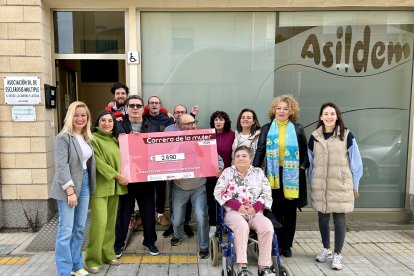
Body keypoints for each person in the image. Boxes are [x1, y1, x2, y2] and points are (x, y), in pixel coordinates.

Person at [308, 102, 363, 270]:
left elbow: (356, 163)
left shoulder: (346, 135)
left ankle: (338, 254)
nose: (329, 116)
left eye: (332, 113)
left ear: (337, 116)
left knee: (339, 219)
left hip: (340, 184)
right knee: (322, 219)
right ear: (321, 117)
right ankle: (326, 249)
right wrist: (313, 183)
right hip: (320, 184)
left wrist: (355, 184)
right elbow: (311, 163)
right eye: (326, 113)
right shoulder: (315, 136)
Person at [253, 94, 308, 258]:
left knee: (290, 212)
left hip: (292, 175)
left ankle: (287, 246)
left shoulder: (297, 128)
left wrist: (303, 166)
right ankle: (274, 243)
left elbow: (305, 152)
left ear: (291, 112)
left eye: (286, 109)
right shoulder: (266, 128)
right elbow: (261, 150)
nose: (282, 111)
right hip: (272, 174)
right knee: (274, 210)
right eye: (279, 108)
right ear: (274, 110)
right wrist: (254, 171)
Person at [49, 101, 96, 276]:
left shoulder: (86, 136)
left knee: (78, 228)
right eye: (76, 115)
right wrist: (70, 191)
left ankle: (77, 266)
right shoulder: (63, 137)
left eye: (83, 115)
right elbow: (61, 166)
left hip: (83, 184)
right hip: (67, 186)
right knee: (65, 231)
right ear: (70, 116)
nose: (80, 118)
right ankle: (64, 270)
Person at [214, 146, 275, 276]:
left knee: (267, 227)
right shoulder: (227, 172)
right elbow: (218, 191)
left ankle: (264, 266)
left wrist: (256, 208)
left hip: (255, 212)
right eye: (237, 156)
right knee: (241, 226)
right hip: (234, 213)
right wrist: (237, 206)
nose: (240, 158)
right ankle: (242, 267)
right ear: (233, 159)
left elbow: (267, 192)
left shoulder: (258, 172)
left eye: (244, 156)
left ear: (251, 159)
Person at [170, 114, 223, 259]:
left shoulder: (204, 139)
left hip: (199, 186)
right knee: (177, 219)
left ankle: (204, 246)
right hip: (179, 187)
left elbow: (217, 159)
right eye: (188, 124)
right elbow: (164, 162)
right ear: (179, 126)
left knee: (201, 216)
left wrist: (219, 168)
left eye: (194, 123)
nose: (193, 126)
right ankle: (177, 234)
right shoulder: (172, 142)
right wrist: (171, 172)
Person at [114, 95, 160, 257]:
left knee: (148, 212)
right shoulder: (117, 126)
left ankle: (150, 242)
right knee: (124, 213)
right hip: (126, 179)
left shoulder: (152, 126)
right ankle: (118, 244)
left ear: (143, 108)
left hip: (146, 178)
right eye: (131, 105)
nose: (134, 108)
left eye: (138, 105)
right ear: (126, 108)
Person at [84, 110, 129, 274]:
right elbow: (99, 163)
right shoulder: (92, 139)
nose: (107, 123)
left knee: (110, 224)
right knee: (99, 224)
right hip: (101, 187)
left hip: (114, 187)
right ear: (97, 122)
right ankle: (92, 259)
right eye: (103, 120)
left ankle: (108, 254)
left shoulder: (115, 140)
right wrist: (118, 176)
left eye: (110, 121)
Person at [163, 104, 199, 238]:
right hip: (173, 170)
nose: (179, 114)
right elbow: (165, 150)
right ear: (174, 114)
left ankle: (186, 224)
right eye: (177, 112)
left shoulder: (192, 129)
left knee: (188, 199)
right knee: (173, 199)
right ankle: (173, 225)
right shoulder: (168, 129)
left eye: (182, 112)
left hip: (189, 170)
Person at [145, 96, 175, 227]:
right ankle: (147, 215)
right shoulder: (143, 118)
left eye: (157, 103)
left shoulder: (167, 120)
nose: (154, 105)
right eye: (152, 103)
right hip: (145, 160)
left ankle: (161, 214)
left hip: (162, 161)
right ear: (148, 105)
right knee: (146, 190)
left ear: (160, 105)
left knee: (161, 189)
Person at [206, 111, 234, 232]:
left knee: (227, 201)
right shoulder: (208, 135)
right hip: (210, 176)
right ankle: (213, 225)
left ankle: (227, 225)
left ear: (225, 121)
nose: (218, 122)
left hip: (228, 175)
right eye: (216, 119)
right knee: (211, 201)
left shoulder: (232, 135)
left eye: (221, 119)